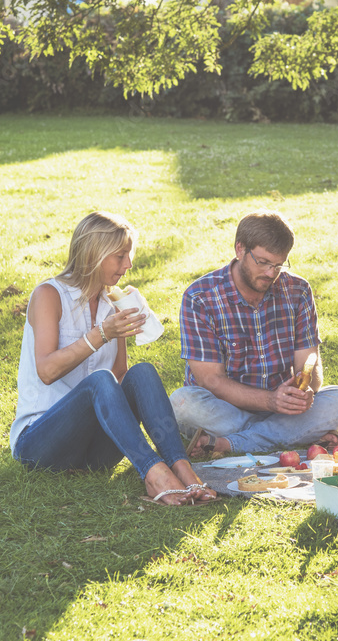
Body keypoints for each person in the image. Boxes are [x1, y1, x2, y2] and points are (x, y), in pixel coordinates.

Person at [11, 212, 216, 506]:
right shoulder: (49, 295)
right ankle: (154, 473)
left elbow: (121, 375)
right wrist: (101, 334)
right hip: (40, 443)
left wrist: (124, 326)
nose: (128, 265)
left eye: (128, 256)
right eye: (120, 256)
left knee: (142, 372)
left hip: (93, 455)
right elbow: (46, 370)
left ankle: (181, 467)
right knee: (99, 381)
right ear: (94, 254)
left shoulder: (114, 304)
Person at [170, 209, 338, 455]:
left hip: (282, 408)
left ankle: (230, 443)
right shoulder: (200, 297)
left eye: (278, 264)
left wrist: (304, 392)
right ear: (240, 250)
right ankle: (288, 435)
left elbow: (309, 366)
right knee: (182, 404)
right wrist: (270, 401)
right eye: (263, 262)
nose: (271, 273)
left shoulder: (297, 290)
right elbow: (210, 381)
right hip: (224, 407)